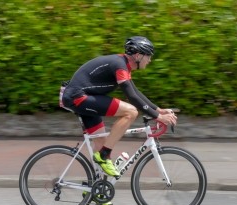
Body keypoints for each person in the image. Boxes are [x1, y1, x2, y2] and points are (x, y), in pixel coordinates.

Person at [61, 36, 177, 180]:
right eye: (148, 56)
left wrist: (158, 110)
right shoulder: (119, 65)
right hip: (78, 98)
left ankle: (96, 190)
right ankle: (104, 155)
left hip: (83, 98)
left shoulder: (123, 65)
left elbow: (135, 92)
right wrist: (158, 117)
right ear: (138, 55)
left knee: (101, 142)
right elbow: (132, 98)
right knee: (130, 112)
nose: (150, 60)